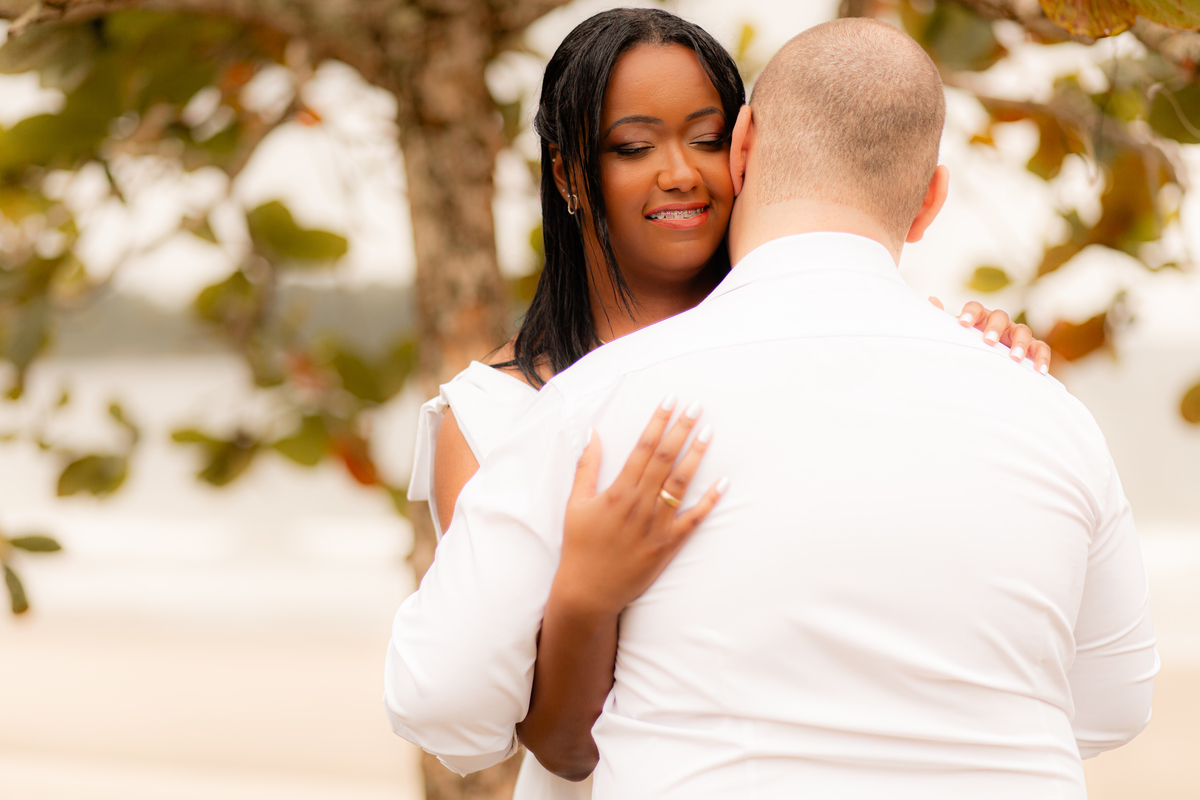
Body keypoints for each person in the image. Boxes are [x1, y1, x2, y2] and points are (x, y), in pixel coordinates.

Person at [396, 10, 1068, 799]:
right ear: (570, 173)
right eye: (633, 146)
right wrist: (586, 589)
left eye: (707, 139)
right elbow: (560, 746)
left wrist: (981, 362)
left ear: (747, 148)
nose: (680, 172)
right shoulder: (500, 415)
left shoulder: (816, 360)